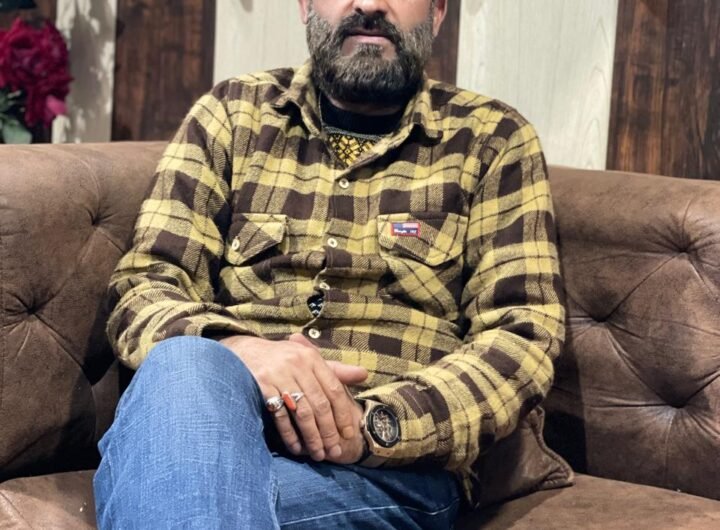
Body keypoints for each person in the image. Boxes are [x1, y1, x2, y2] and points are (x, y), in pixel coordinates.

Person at [93, 0, 565, 528]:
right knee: (184, 365)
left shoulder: (493, 139)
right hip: (219, 422)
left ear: (437, 12)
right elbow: (145, 284)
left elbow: (522, 337)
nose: (368, 4)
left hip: (385, 470)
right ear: (304, 6)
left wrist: (372, 426)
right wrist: (238, 349)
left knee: (168, 484)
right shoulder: (231, 114)